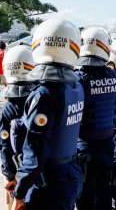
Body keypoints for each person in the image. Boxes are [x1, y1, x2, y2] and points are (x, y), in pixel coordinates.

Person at [12, 19, 84, 210]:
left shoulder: (45, 94)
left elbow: (35, 150)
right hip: (70, 173)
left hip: (48, 183)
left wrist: (20, 191)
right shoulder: (76, 87)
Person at [75, 26, 116, 210]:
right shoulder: (113, 77)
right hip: (108, 146)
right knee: (105, 194)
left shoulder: (77, 80)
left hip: (84, 148)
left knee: (85, 198)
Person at [0, 41, 35, 210]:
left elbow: (4, 144)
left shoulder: (8, 108)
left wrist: (8, 174)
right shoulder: (40, 99)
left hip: (17, 169)